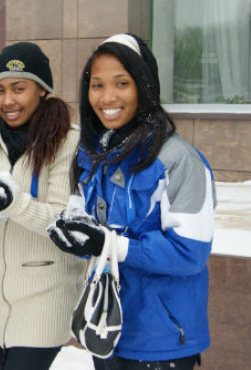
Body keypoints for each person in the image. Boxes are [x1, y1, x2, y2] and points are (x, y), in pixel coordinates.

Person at [47, 33, 215, 370]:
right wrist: (77, 237)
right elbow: (94, 230)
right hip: (107, 328)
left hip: (163, 339)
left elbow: (190, 254)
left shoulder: (179, 160)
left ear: (144, 86)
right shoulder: (92, 154)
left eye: (121, 83)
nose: (107, 96)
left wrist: (110, 244)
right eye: (97, 85)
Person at [0, 42, 85, 369]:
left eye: (19, 88)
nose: (7, 100)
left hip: (46, 294)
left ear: (42, 90)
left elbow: (61, 221)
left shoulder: (69, 141)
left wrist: (10, 201)